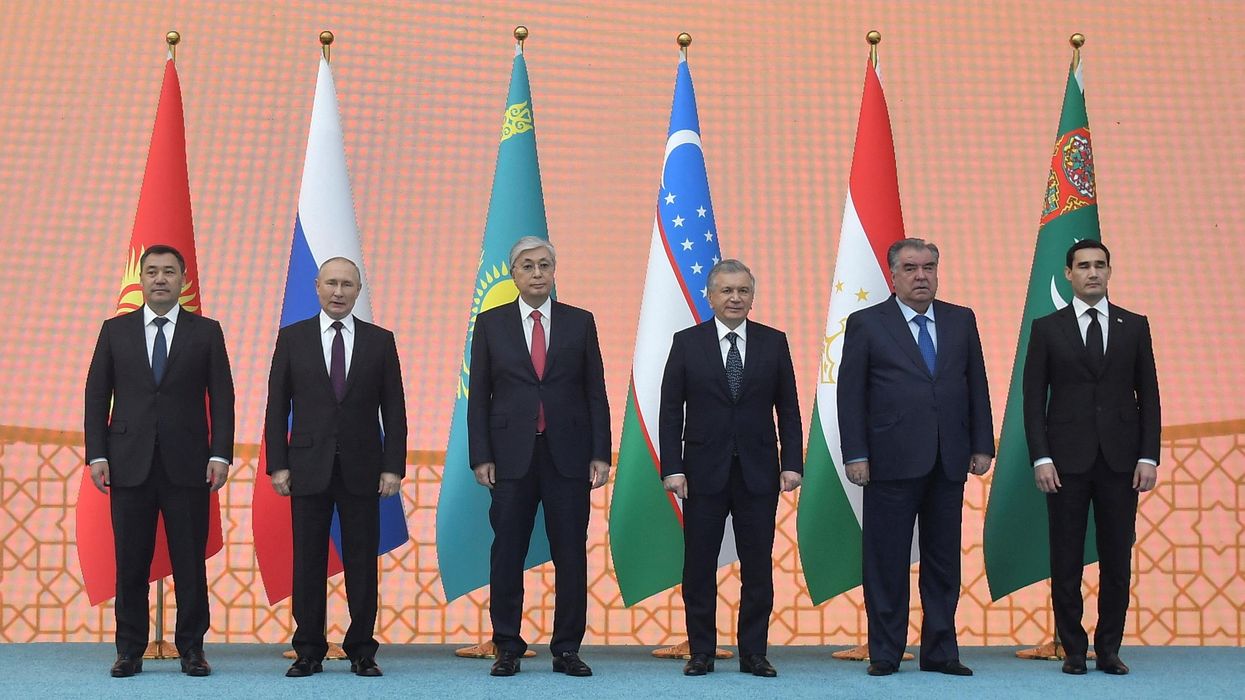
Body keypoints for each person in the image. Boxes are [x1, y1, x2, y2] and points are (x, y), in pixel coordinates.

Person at [837, 238, 993, 677]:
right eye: (910, 268)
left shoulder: (961, 320)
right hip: (888, 461)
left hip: (948, 460)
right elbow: (850, 396)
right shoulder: (867, 323)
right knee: (886, 560)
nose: (921, 276)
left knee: (943, 562)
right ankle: (885, 652)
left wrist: (982, 444)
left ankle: (941, 651)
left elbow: (975, 384)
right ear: (893, 274)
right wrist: (857, 454)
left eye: (928, 267)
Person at [84, 244, 234, 678]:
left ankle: (192, 649)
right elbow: (97, 395)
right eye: (152, 272)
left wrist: (220, 453)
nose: (160, 279)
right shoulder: (116, 331)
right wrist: (97, 454)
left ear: (183, 279)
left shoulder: (206, 332)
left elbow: (222, 398)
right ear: (142, 279)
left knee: (190, 561)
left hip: (189, 464)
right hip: (127, 463)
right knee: (131, 562)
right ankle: (129, 649)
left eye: (169, 271)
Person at [468, 236, 611, 678]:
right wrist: (481, 456)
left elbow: (595, 393)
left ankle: (567, 648)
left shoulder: (579, 322)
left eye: (544, 265)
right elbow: (479, 398)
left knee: (571, 553)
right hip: (510, 457)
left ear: (554, 272)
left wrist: (600, 454)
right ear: (514, 274)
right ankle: (507, 644)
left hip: (568, 456)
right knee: (507, 553)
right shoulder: (491, 324)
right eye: (527, 266)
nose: (536, 273)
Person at [263, 257, 407, 678]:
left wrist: (392, 466)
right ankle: (309, 649)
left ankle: (362, 648)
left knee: (363, 562)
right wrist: (278, 465)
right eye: (332, 284)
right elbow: (277, 407)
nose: (339, 292)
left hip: (365, 468)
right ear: (317, 287)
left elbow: (394, 411)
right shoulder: (293, 339)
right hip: (306, 467)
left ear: (358, 290)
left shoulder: (380, 342)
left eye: (347, 284)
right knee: (308, 562)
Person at [659, 259, 802, 678]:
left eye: (742, 290)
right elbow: (671, 412)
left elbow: (788, 409)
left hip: (759, 472)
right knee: (699, 566)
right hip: (701, 473)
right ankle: (701, 651)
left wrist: (792, 462)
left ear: (752, 297)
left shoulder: (774, 342)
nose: (735, 297)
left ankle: (753, 653)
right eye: (726, 290)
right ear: (710, 296)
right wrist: (673, 467)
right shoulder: (687, 343)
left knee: (757, 566)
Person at [1023, 239, 1159, 676]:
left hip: (1121, 463)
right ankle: (1074, 649)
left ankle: (1110, 647)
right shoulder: (1047, 328)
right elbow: (1031, 399)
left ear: (1110, 271)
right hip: (1064, 463)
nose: (1092, 273)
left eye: (1100, 265)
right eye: (1083, 266)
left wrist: (1148, 457)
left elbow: (1150, 398)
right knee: (1065, 557)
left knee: (1118, 557)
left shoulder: (1134, 326)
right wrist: (1041, 458)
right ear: (1068, 274)